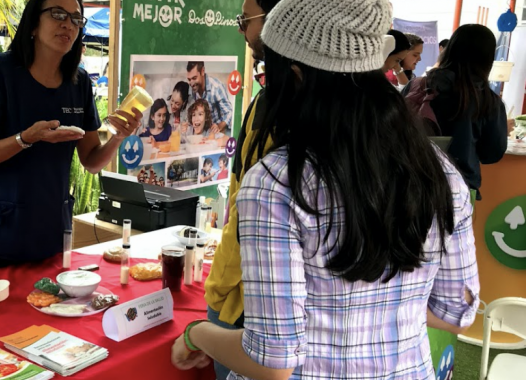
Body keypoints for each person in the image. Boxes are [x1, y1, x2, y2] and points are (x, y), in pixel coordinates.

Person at [173, 0, 479, 379]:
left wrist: (196, 334)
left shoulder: (276, 183)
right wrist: (383, 309)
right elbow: (458, 310)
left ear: (297, 76)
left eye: (272, 71)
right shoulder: (440, 173)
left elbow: (272, 363)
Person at [0, 0, 142, 265]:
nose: (67, 24)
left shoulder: (79, 82)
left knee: (48, 302)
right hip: (0, 231)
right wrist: (26, 138)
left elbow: (91, 160)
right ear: (34, 22)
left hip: (51, 230)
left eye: (76, 19)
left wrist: (117, 136)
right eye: (58, 14)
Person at [204, 1, 281, 378]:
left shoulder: (287, 114)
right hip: (237, 291)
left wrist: (218, 293)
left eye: (245, 20)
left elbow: (250, 213)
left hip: (251, 303)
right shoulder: (263, 103)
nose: (241, 30)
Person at [404, 24, 508, 201]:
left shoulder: (416, 85)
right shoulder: (488, 101)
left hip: (409, 183)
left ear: (450, 50)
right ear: (487, 59)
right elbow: (491, 154)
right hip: (459, 190)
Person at [186, 61, 233, 135]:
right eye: (189, 79)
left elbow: (230, 113)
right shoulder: (192, 90)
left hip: (221, 132)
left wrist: (218, 126)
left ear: (202, 71)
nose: (191, 83)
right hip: (206, 133)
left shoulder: (216, 87)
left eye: (194, 78)